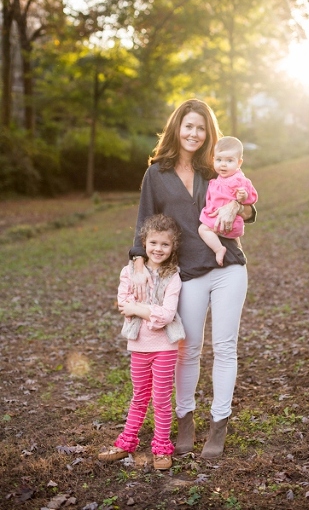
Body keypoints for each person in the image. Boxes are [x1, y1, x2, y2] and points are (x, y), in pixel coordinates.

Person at [130, 98, 256, 460]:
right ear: (177, 128)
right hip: (186, 274)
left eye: (201, 128)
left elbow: (247, 211)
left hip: (229, 265)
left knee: (225, 347)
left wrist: (245, 206)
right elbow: (143, 221)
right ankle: (186, 423)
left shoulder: (216, 169)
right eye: (189, 126)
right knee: (187, 350)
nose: (194, 133)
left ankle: (219, 425)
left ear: (208, 133)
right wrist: (139, 263)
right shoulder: (157, 173)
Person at [98, 214, 185, 471]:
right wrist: (139, 308)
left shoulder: (174, 277)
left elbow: (167, 315)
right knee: (139, 396)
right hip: (139, 345)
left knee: (161, 398)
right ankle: (127, 442)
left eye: (165, 245)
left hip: (165, 347)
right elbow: (124, 305)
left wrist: (140, 308)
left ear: (173, 247)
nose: (158, 249)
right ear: (144, 243)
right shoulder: (129, 272)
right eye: (153, 243)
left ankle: (161, 447)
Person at [198, 136, 258, 266]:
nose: (223, 164)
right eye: (219, 160)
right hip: (220, 220)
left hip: (228, 223)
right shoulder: (220, 177)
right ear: (213, 160)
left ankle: (219, 249)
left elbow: (252, 198)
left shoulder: (238, 180)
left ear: (239, 163)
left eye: (229, 161)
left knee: (203, 230)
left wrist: (243, 197)